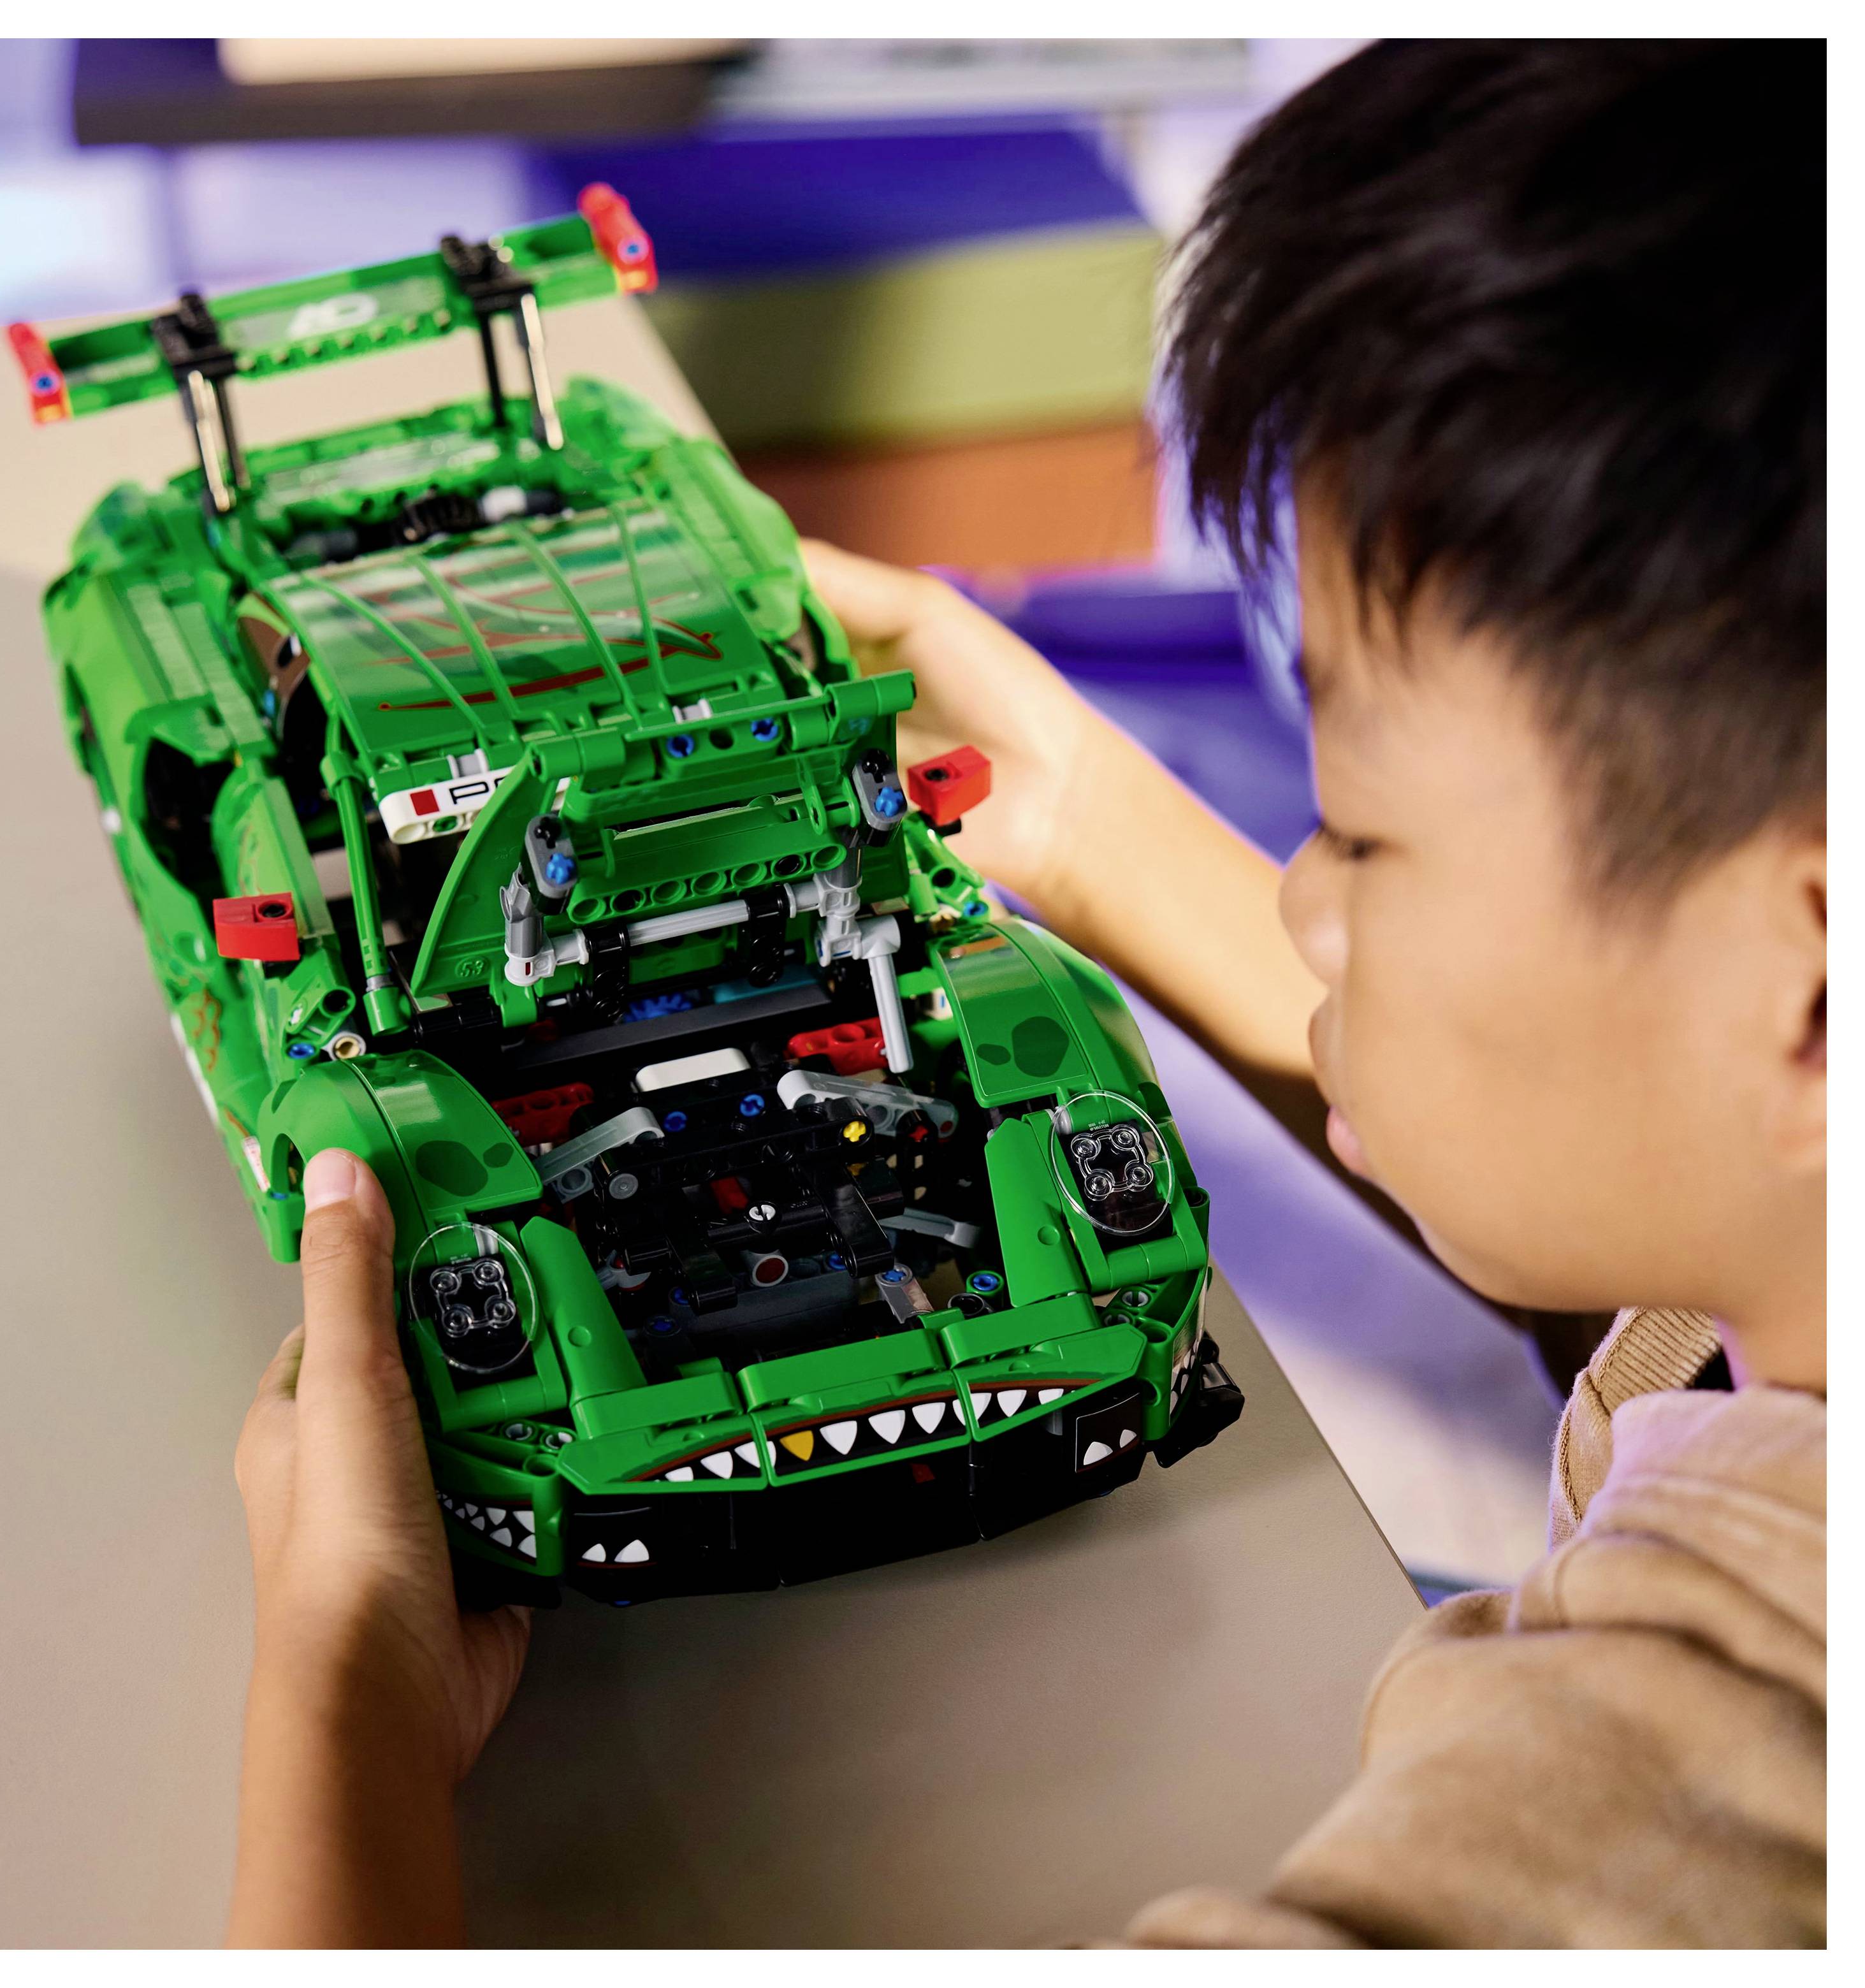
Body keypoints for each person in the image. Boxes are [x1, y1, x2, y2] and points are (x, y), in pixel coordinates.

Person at [226, 40, 1824, 1947]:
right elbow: (1670, 1222)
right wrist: (1081, 824)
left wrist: (349, 1693)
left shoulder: (1644, 1832)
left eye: (1364, 835)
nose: (1304, 906)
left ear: (1808, 987)